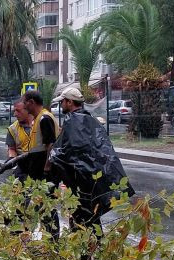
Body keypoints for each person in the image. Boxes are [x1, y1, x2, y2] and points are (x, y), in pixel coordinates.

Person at [49, 86, 133, 231]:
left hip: (81, 182)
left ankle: (86, 249)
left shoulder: (73, 122)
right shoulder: (89, 119)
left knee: (81, 219)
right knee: (90, 218)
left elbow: (70, 152)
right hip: (91, 181)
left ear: (69, 102)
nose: (61, 105)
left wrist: (53, 157)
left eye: (62, 102)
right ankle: (94, 247)